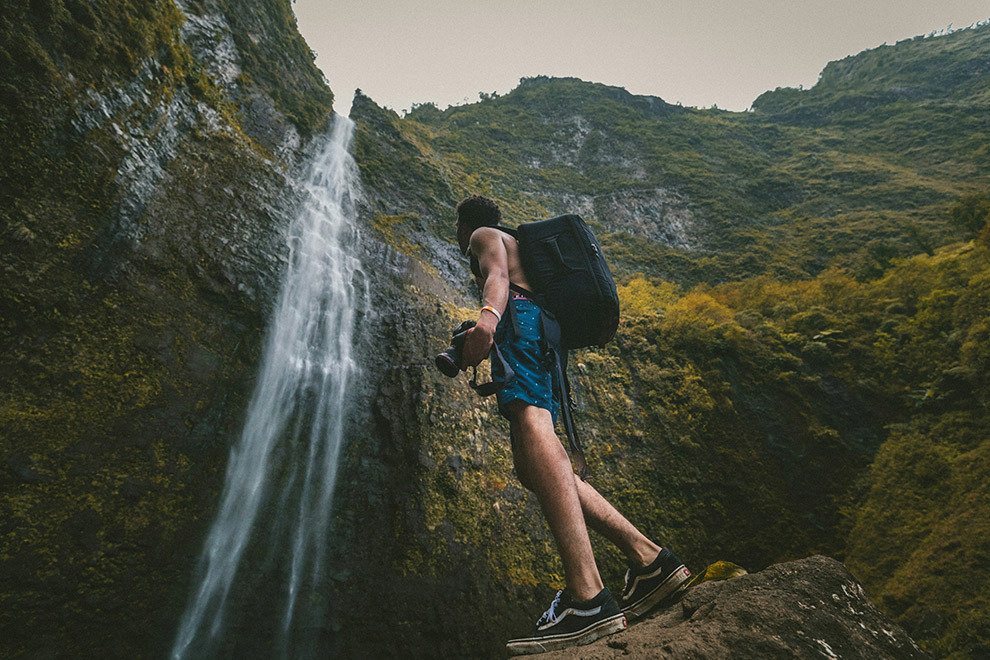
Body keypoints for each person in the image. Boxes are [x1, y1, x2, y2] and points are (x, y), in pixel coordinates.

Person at [453, 195, 691, 656]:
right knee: (531, 464)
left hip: (518, 322)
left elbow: (498, 278)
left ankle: (587, 598)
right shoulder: (519, 242)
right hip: (543, 331)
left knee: (534, 429)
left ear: (465, 225)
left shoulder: (484, 237)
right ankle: (649, 560)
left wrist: (486, 322)